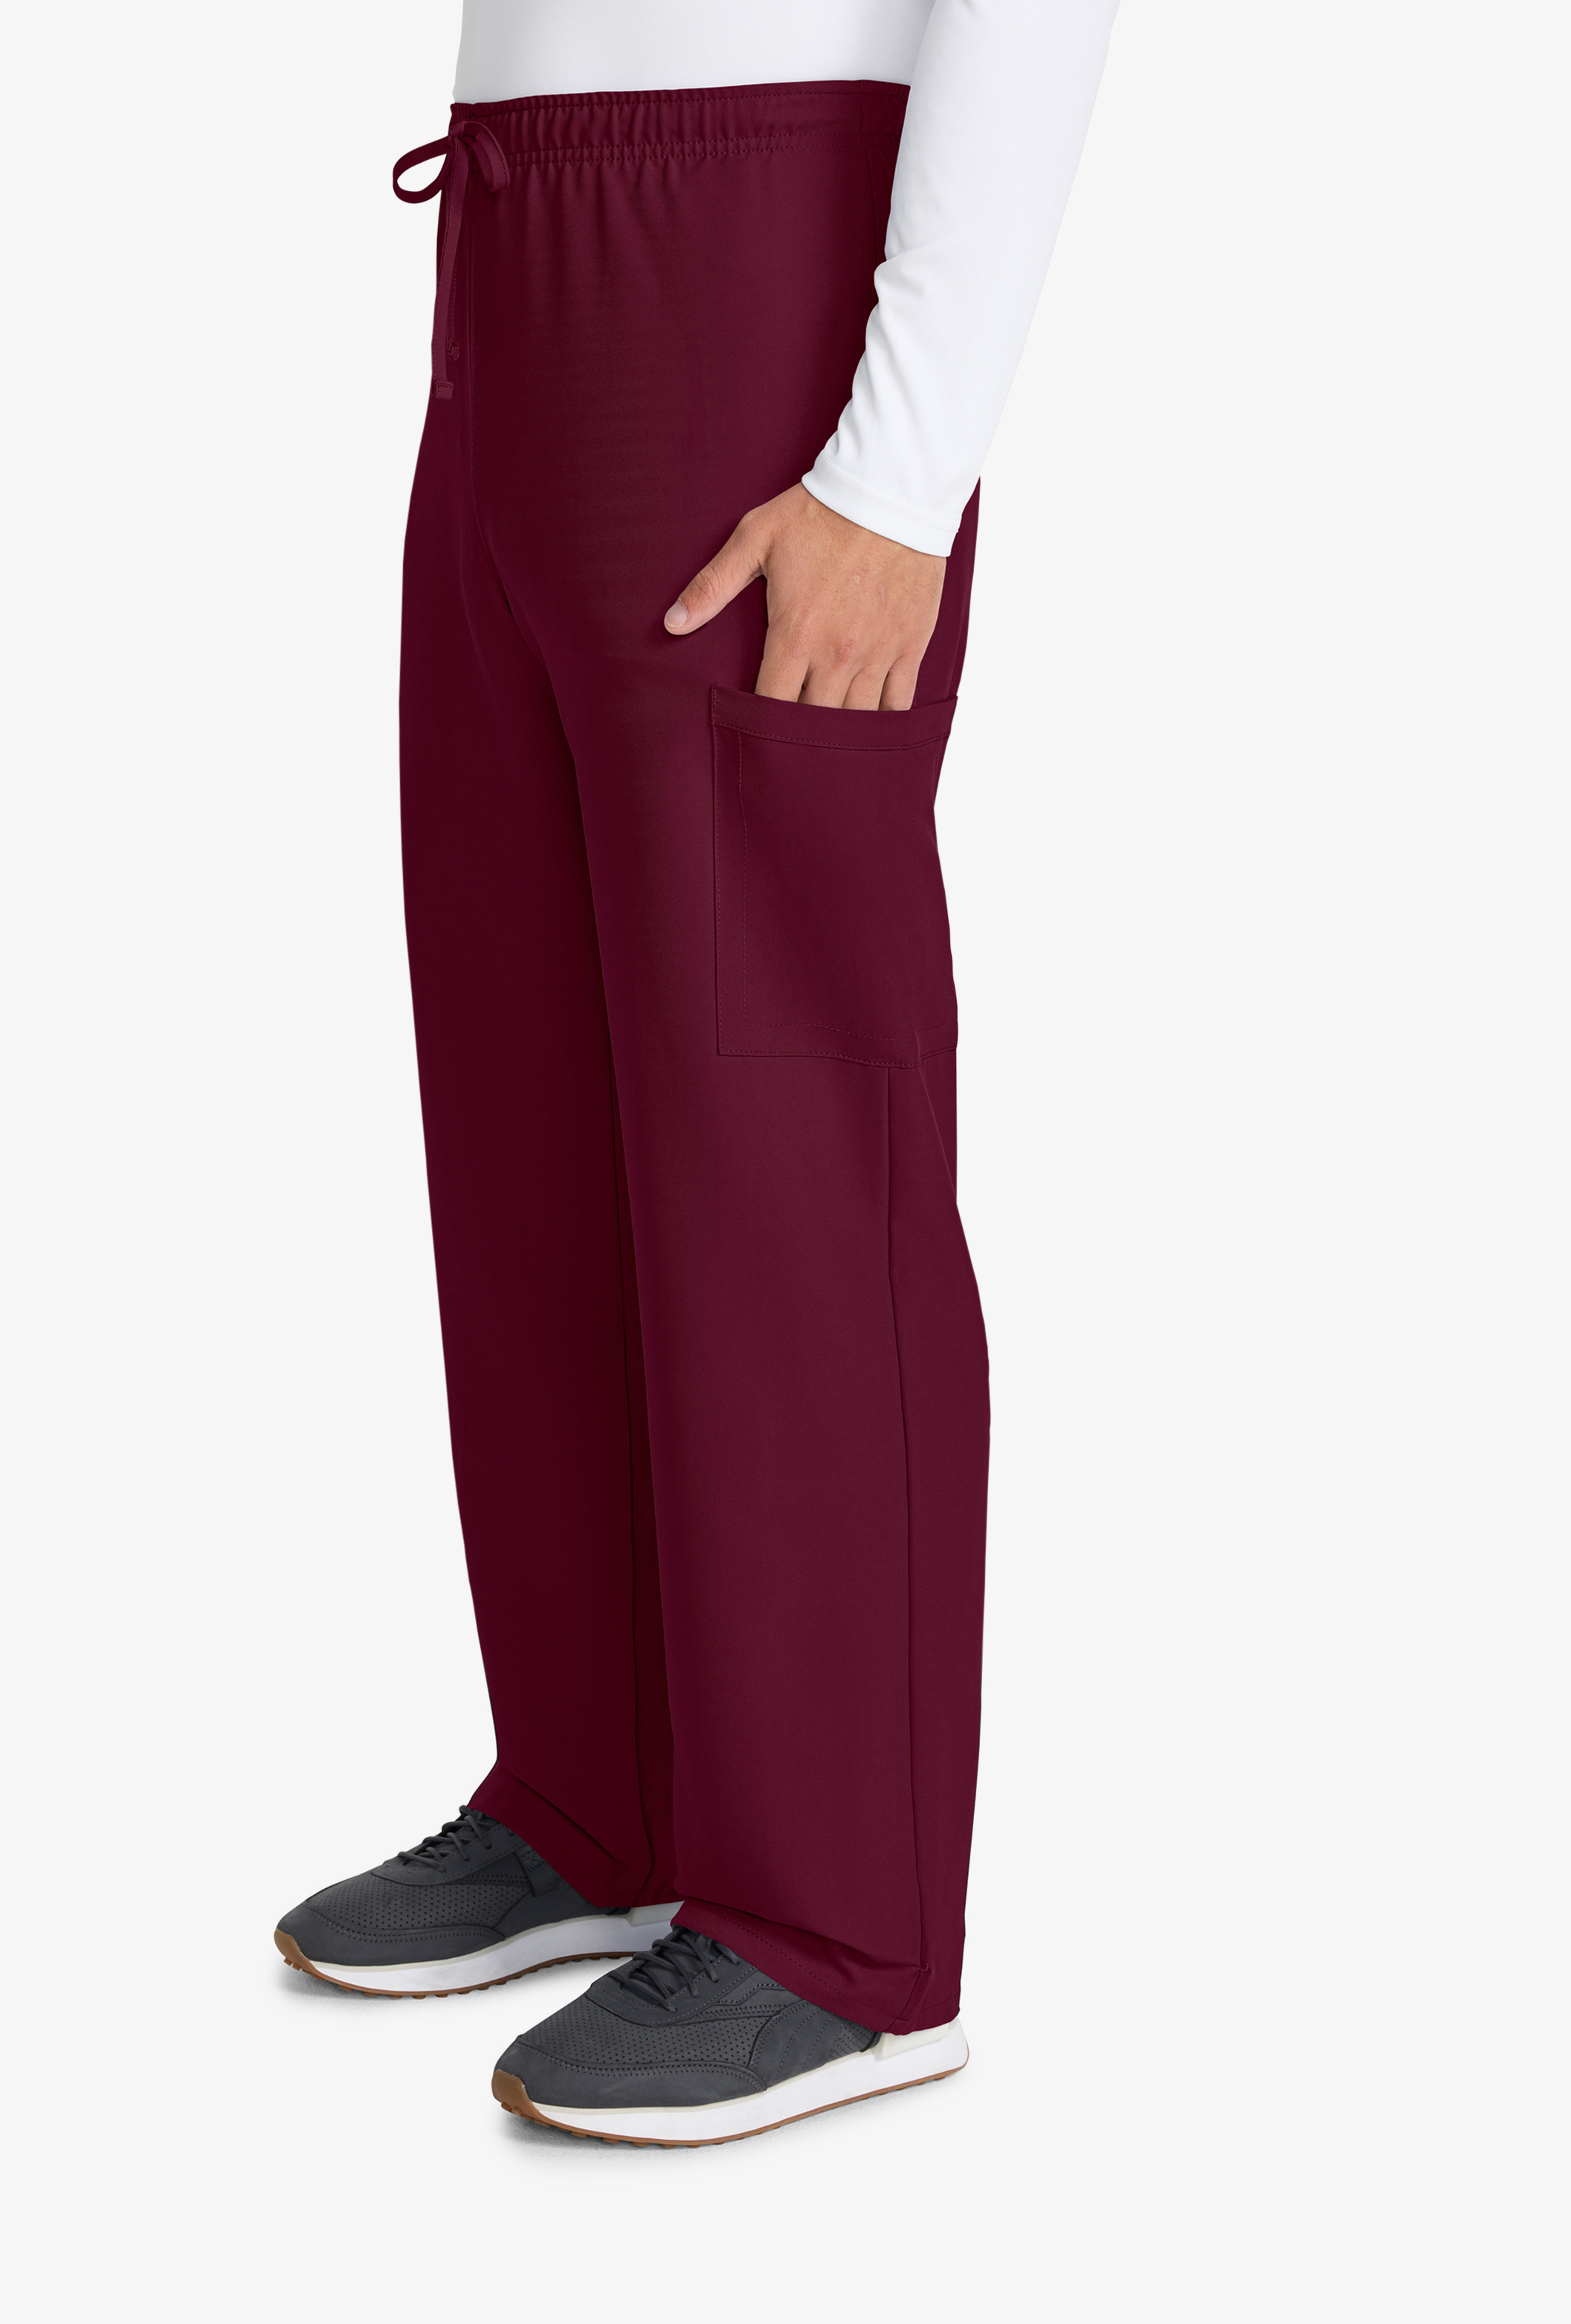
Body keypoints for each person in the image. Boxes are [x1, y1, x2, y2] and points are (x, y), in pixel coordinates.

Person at [274, 0, 1120, 2146]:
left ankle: (842, 1936)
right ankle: (602, 1798)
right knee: (531, 1101)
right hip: (517, 259)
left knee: (776, 1131)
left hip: (757, 265)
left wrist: (898, 472)